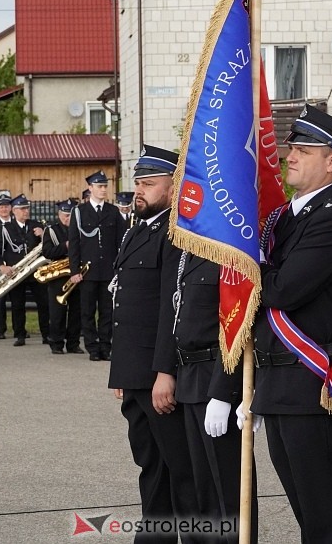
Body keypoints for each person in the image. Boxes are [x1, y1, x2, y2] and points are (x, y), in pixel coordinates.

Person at [248, 104, 332, 543]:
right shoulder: (284, 218)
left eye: (302, 149)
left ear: (331, 161)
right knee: (306, 512)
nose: (289, 156)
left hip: (313, 384)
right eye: (290, 148)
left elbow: (284, 290)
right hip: (279, 384)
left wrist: (248, 264)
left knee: (327, 516)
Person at [108, 145, 199, 538]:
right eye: (137, 182)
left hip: (157, 375)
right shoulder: (138, 229)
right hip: (135, 372)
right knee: (151, 465)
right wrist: (122, 373)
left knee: (181, 470)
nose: (139, 190)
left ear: (174, 185)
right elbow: (126, 304)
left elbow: (170, 307)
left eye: (148, 183)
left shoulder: (175, 232)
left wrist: (166, 371)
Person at [173, 251, 256, 541]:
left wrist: (223, 391)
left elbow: (238, 325)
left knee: (229, 492)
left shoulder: (228, 251)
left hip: (217, 378)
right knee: (204, 490)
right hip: (190, 378)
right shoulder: (194, 251)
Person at [68, 171, 122, 361]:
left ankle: (105, 347)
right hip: (87, 271)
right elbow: (74, 243)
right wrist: (75, 270)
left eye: (105, 186)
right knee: (88, 311)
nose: (103, 190)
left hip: (108, 270)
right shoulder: (79, 212)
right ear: (90, 188)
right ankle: (92, 347)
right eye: (99, 186)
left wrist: (119, 268)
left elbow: (120, 242)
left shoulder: (113, 211)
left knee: (108, 312)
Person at [0, 194, 29, 345]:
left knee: (18, 301)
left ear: (11, 208)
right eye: (1, 206)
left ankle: (19, 330)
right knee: (0, 299)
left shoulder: (17, 224)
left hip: (16, 269)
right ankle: (0, 330)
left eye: (6, 206)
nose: (4, 209)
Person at [41, 199, 83, 355]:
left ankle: (73, 343)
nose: (68, 219)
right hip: (58, 275)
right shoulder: (51, 230)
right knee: (57, 312)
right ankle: (56, 344)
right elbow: (47, 252)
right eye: (65, 215)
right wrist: (64, 246)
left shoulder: (80, 229)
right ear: (59, 214)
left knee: (76, 311)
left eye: (71, 216)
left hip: (76, 273)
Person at [11, 194, 49, 345]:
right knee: (17, 304)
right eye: (22, 209)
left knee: (44, 303)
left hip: (35, 271)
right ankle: (20, 335)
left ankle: (46, 334)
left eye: (27, 208)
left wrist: (43, 235)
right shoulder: (7, 228)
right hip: (16, 272)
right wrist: (2, 266)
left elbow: (50, 243)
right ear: (14, 211)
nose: (25, 211)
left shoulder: (36, 225)